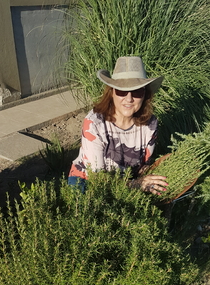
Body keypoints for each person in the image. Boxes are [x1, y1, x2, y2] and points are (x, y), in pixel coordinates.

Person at [68, 56, 168, 194]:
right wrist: (136, 185)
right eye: (121, 91)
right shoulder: (94, 123)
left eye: (137, 91)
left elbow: (143, 167)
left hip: (128, 180)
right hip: (89, 181)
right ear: (111, 93)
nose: (129, 99)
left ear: (145, 94)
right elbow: (97, 179)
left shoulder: (150, 124)